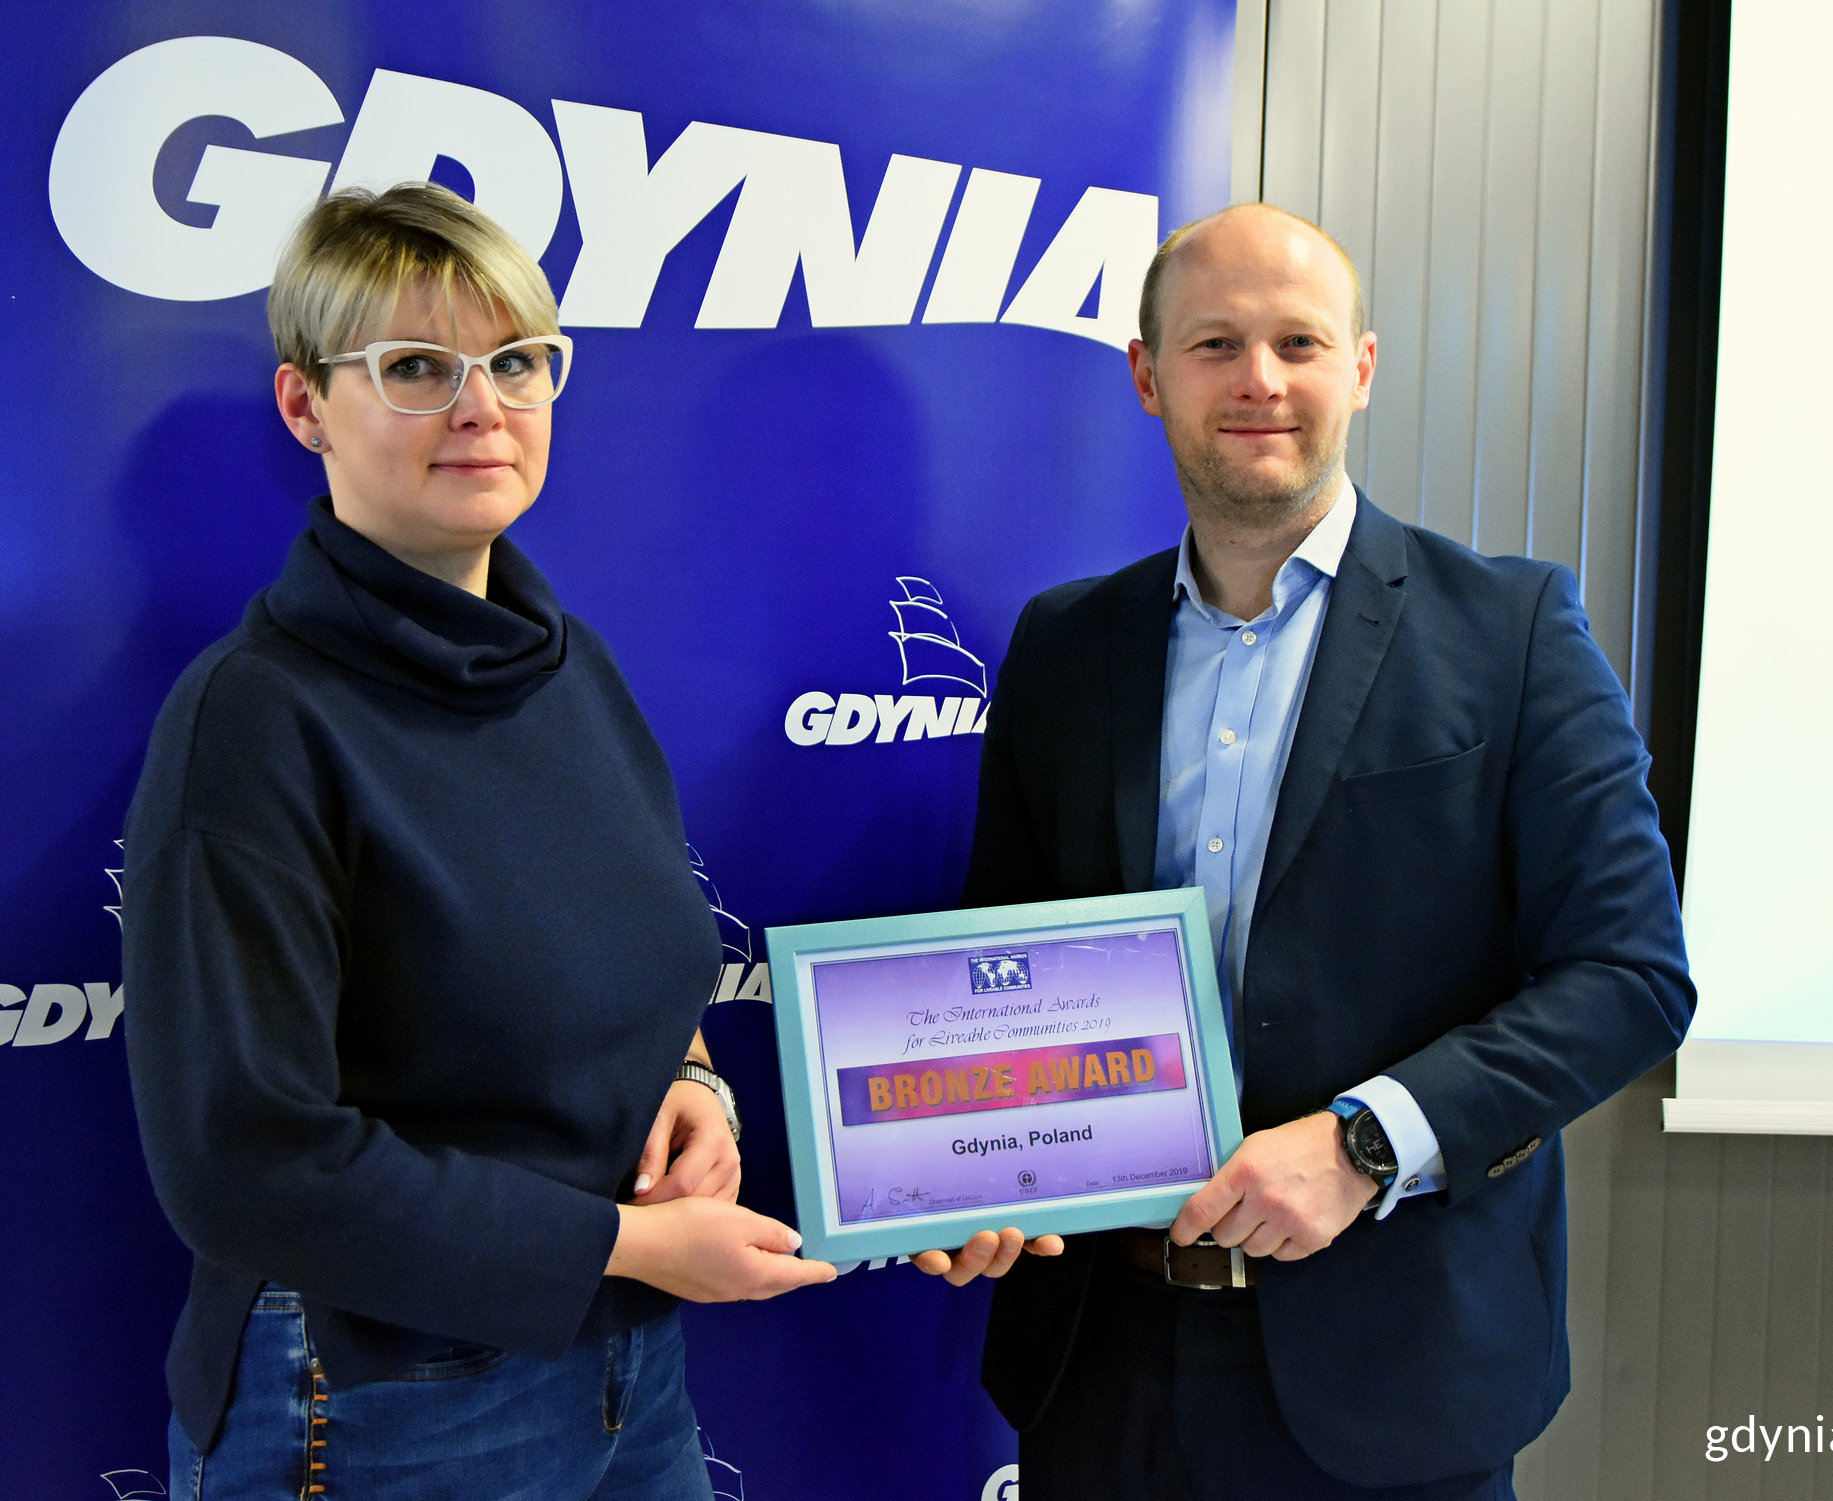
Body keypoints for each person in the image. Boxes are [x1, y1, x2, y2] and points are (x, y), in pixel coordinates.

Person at [916, 204, 1693, 1499]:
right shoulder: (1065, 645)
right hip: (1098, 1366)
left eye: (1299, 342)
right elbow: (1004, 953)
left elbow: (1630, 976)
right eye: (1215, 343)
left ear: (1362, 368)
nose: (1260, 380)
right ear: (1148, 375)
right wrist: (984, 1160)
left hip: (1395, 1374)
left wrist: (1362, 1144)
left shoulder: (1512, 634)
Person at [122, 183, 834, 1501]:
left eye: (515, 361)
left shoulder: (573, 667)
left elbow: (632, 973)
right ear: (305, 405)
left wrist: (692, 1085)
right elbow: (248, 1162)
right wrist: (626, 1243)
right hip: (381, 1396)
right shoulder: (258, 722)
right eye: (415, 368)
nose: (481, 406)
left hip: (628, 1372)